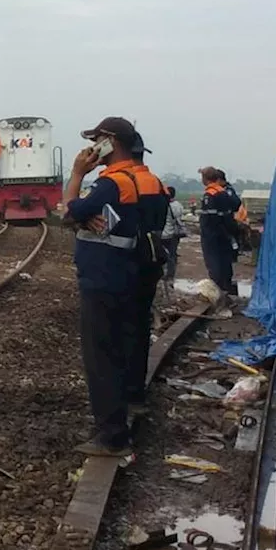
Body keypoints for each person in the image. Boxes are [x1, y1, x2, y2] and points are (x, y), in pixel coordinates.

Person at [64, 117, 143, 458]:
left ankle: (112, 435)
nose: (92, 146)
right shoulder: (146, 178)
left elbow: (69, 211)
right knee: (129, 343)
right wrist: (83, 215)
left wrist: (77, 174)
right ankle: (133, 403)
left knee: (101, 356)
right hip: (135, 274)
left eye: (96, 139)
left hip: (104, 279)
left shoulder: (112, 183)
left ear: (111, 140)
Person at [125, 134, 169, 421]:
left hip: (125, 265)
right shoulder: (157, 184)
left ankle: (125, 397)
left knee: (119, 333)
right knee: (140, 329)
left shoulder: (121, 184)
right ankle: (136, 392)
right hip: (151, 258)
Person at [199, 166, 242, 297]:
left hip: (212, 237)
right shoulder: (224, 192)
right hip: (225, 235)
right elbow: (234, 207)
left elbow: (210, 220)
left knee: (214, 265)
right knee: (225, 264)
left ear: (205, 179)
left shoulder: (210, 195)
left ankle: (217, 294)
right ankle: (227, 291)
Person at [160, 186, 187, 296]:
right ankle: (171, 275)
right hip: (174, 234)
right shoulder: (178, 206)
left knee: (161, 255)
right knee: (172, 255)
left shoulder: (162, 205)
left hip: (163, 234)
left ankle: (162, 274)